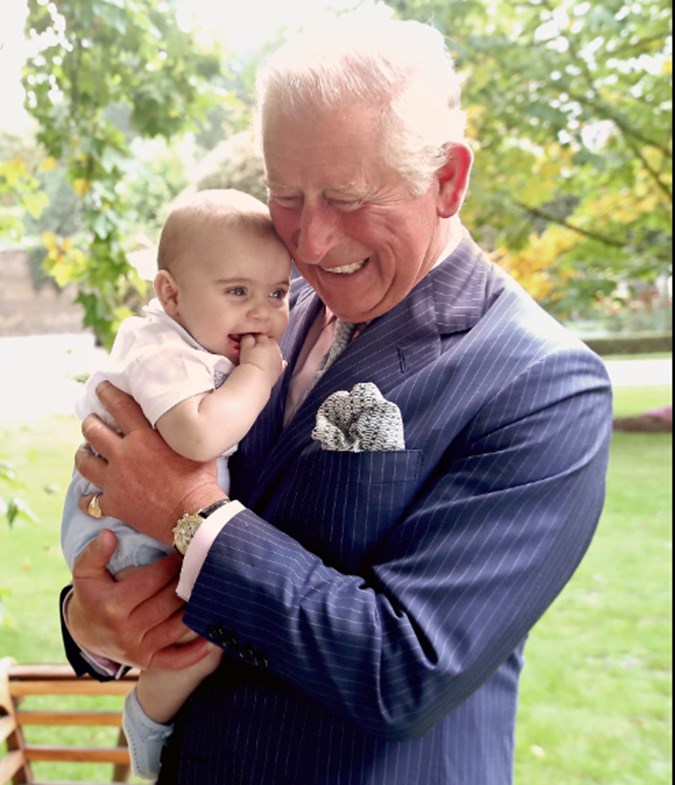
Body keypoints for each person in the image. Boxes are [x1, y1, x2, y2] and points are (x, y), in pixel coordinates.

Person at [59, 8, 613, 784]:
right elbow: (144, 529)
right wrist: (95, 623)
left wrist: (192, 515)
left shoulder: (543, 384)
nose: (309, 244)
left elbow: (404, 670)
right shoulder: (254, 311)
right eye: (286, 194)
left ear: (447, 179)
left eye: (347, 197)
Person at [60, 188, 291, 778]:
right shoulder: (163, 351)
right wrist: (259, 376)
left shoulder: (203, 337)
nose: (262, 312)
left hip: (146, 526)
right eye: (237, 292)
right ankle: (146, 721)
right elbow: (197, 436)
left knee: (203, 635)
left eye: (277, 293)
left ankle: (147, 716)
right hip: (125, 535)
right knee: (196, 640)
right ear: (170, 294)